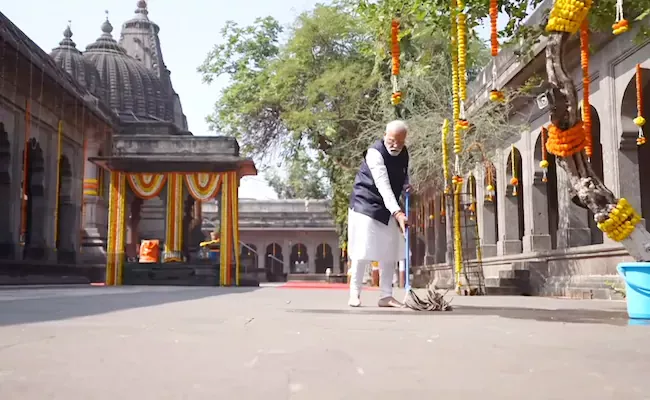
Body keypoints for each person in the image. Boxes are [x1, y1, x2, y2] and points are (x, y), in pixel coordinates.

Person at [347, 120, 410, 307]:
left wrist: (406, 183)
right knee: (362, 249)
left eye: (400, 141)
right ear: (385, 136)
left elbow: (403, 172)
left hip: (387, 206)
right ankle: (354, 293)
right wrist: (398, 212)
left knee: (390, 249)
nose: (395, 145)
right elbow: (383, 184)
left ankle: (386, 295)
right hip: (365, 203)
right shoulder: (374, 153)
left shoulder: (404, 152)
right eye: (391, 140)